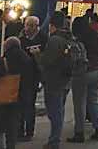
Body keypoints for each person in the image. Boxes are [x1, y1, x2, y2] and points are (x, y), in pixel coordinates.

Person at [0, 37, 33, 149]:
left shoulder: (3, 60)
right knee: (11, 131)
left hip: (1, 100)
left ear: (6, 47)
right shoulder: (27, 60)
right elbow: (32, 80)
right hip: (17, 100)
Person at [33, 11, 72, 149]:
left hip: (54, 80)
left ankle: (54, 140)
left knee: (54, 112)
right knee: (59, 110)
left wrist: (37, 55)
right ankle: (55, 138)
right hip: (66, 79)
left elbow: (47, 61)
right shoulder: (68, 37)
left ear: (51, 25)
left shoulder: (54, 40)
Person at [68, 16, 98, 142]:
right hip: (97, 71)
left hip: (82, 73)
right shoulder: (97, 35)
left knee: (79, 103)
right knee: (94, 100)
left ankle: (79, 133)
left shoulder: (77, 39)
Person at [18, 16, 48, 141]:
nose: (27, 28)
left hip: (34, 76)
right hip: (21, 75)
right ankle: (19, 130)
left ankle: (29, 131)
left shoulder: (43, 38)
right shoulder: (21, 39)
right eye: (26, 25)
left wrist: (38, 55)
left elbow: (46, 57)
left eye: (30, 26)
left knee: (29, 104)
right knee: (20, 104)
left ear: (36, 26)